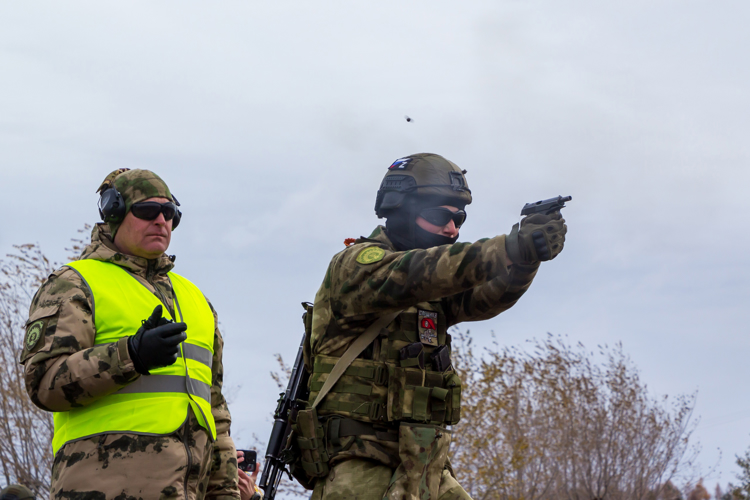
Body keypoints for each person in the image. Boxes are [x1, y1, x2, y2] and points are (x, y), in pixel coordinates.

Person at [303, 153, 567, 500]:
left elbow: (485, 297)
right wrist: (509, 247)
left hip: (424, 465)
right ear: (399, 208)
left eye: (459, 218)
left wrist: (526, 258)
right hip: (360, 465)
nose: (453, 229)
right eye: (439, 216)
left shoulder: (433, 288)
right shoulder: (357, 267)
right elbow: (419, 272)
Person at [20, 169, 240, 499]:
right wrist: (130, 356)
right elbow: (44, 384)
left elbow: (216, 414)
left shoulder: (196, 301)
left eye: (170, 213)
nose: (161, 221)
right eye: (148, 211)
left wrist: (227, 494)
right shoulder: (73, 284)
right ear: (113, 214)